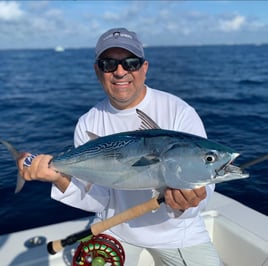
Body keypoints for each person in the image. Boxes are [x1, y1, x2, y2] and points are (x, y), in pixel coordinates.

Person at [18, 28, 221, 265]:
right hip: (114, 229)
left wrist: (191, 201)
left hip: (178, 233)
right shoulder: (89, 122)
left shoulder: (179, 112)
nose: (120, 72)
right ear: (98, 70)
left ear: (144, 68)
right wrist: (57, 177)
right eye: (109, 64)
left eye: (130, 63)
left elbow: (204, 188)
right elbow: (99, 201)